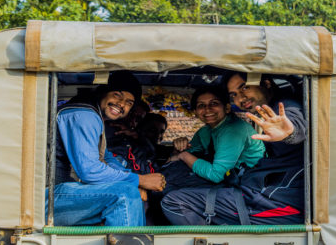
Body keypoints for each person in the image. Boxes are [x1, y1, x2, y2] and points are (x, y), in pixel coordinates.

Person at [162, 72, 306, 225]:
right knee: (170, 184)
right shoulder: (207, 131)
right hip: (255, 184)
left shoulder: (284, 106)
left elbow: (294, 124)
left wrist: (289, 133)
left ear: (267, 83)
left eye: (244, 87)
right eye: (234, 94)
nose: (240, 98)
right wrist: (180, 150)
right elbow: (192, 151)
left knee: (172, 200)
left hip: (273, 199)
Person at [48, 70, 165, 226]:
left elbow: (106, 156)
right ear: (103, 92)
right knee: (125, 194)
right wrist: (140, 180)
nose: (122, 104)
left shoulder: (92, 113)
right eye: (117, 95)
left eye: (129, 102)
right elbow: (90, 171)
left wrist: (135, 181)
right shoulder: (83, 114)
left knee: (127, 189)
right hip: (47, 198)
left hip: (60, 193)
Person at [161, 86, 265, 224]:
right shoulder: (205, 131)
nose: (207, 109)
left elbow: (216, 175)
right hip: (227, 180)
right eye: (201, 105)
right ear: (196, 111)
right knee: (164, 184)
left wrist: (183, 156)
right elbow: (189, 152)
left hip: (247, 187)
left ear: (227, 108)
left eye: (214, 104)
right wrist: (179, 147)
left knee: (170, 194)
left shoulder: (233, 130)